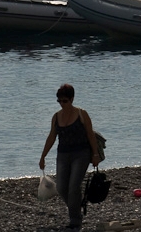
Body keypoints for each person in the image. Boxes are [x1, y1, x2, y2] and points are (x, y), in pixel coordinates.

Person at [40, 84, 103, 230]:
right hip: (62, 154)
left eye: (65, 101)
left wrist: (95, 155)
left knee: (74, 186)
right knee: (62, 188)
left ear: (72, 99)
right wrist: (43, 156)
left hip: (81, 154)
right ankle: (76, 209)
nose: (62, 104)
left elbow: (90, 135)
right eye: (59, 101)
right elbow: (51, 137)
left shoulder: (82, 114)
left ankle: (75, 220)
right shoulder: (56, 117)